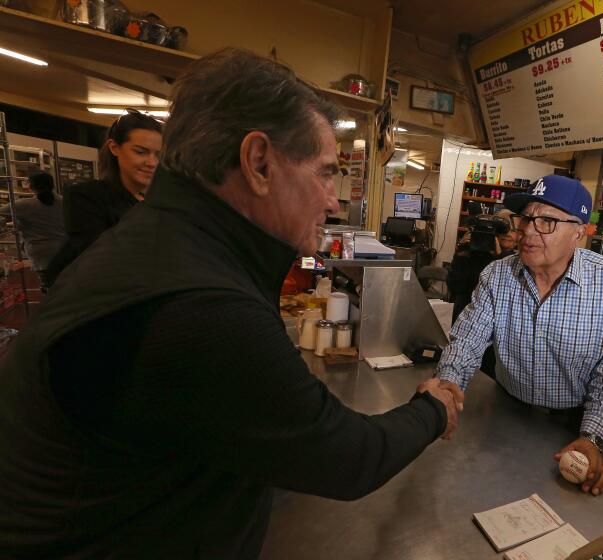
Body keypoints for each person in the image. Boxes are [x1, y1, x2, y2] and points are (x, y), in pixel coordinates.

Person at [0, 48, 459, 558]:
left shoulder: (167, 242)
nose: (333, 201)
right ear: (258, 162)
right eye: (325, 173)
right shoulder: (198, 304)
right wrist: (431, 409)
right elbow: (350, 457)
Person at [436, 175, 603, 496]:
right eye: (527, 218)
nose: (530, 232)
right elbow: (467, 340)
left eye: (547, 221)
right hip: (506, 412)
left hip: (574, 424)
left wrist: (592, 438)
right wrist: (447, 389)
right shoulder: (497, 275)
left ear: (578, 232)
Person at [43, 109, 163, 286]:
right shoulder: (86, 196)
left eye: (158, 155)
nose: (152, 162)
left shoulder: (160, 200)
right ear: (114, 147)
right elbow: (99, 258)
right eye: (140, 152)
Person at [448, 207, 521, 322]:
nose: (507, 233)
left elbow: (507, 296)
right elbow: (454, 286)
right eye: (503, 229)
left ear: (519, 235)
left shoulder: (519, 263)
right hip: (466, 317)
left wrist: (499, 257)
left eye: (513, 230)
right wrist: (460, 255)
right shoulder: (472, 254)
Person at [0, 173, 66, 286]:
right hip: (64, 249)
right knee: (64, 283)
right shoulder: (63, 201)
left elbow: (3, 210)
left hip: (40, 252)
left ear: (31, 186)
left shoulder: (26, 204)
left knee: (49, 285)